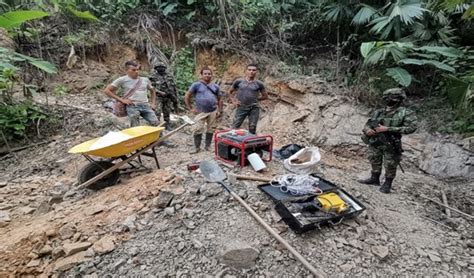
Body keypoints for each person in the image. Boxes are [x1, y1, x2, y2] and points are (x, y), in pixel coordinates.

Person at [358, 88, 417, 193]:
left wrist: (388, 129)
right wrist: (368, 130)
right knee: (374, 158)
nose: (388, 100)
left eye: (391, 98)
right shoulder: (379, 112)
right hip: (376, 140)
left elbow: (411, 128)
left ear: (398, 99)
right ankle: (374, 178)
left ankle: (387, 183)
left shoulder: (405, 113)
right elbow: (368, 123)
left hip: (391, 141)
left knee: (390, 163)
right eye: (387, 98)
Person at [104, 60, 159, 127]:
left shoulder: (145, 80)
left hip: (145, 105)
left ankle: (159, 137)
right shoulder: (122, 79)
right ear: (127, 70)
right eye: (133, 70)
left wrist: (153, 103)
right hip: (132, 106)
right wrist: (121, 100)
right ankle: (137, 137)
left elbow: (153, 91)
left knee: (156, 122)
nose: (136, 72)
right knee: (135, 127)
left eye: (137, 70)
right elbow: (107, 90)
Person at [184, 67, 223, 153]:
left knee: (211, 129)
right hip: (200, 111)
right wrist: (190, 108)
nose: (207, 75)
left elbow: (220, 99)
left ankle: (208, 146)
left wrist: (219, 110)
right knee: (197, 129)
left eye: (209, 74)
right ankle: (197, 148)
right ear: (201, 75)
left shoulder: (215, 86)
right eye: (205, 73)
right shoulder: (196, 85)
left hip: (213, 110)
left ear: (211, 75)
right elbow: (187, 96)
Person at [229, 64, 268, 134]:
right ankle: (232, 143)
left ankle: (250, 143)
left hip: (254, 108)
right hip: (241, 106)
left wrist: (255, 99)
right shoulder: (239, 81)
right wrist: (233, 101)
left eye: (253, 70)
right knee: (235, 126)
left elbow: (265, 96)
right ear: (246, 71)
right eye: (249, 70)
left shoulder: (259, 84)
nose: (251, 72)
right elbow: (230, 92)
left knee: (252, 127)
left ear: (256, 72)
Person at [150, 63, 179, 131]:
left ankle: (167, 125)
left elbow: (174, 86)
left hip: (168, 96)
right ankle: (156, 127)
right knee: (157, 112)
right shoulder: (153, 77)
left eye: (162, 67)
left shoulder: (169, 76)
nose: (161, 68)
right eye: (159, 67)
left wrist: (175, 96)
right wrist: (160, 92)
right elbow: (151, 88)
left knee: (167, 112)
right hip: (158, 97)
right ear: (156, 68)